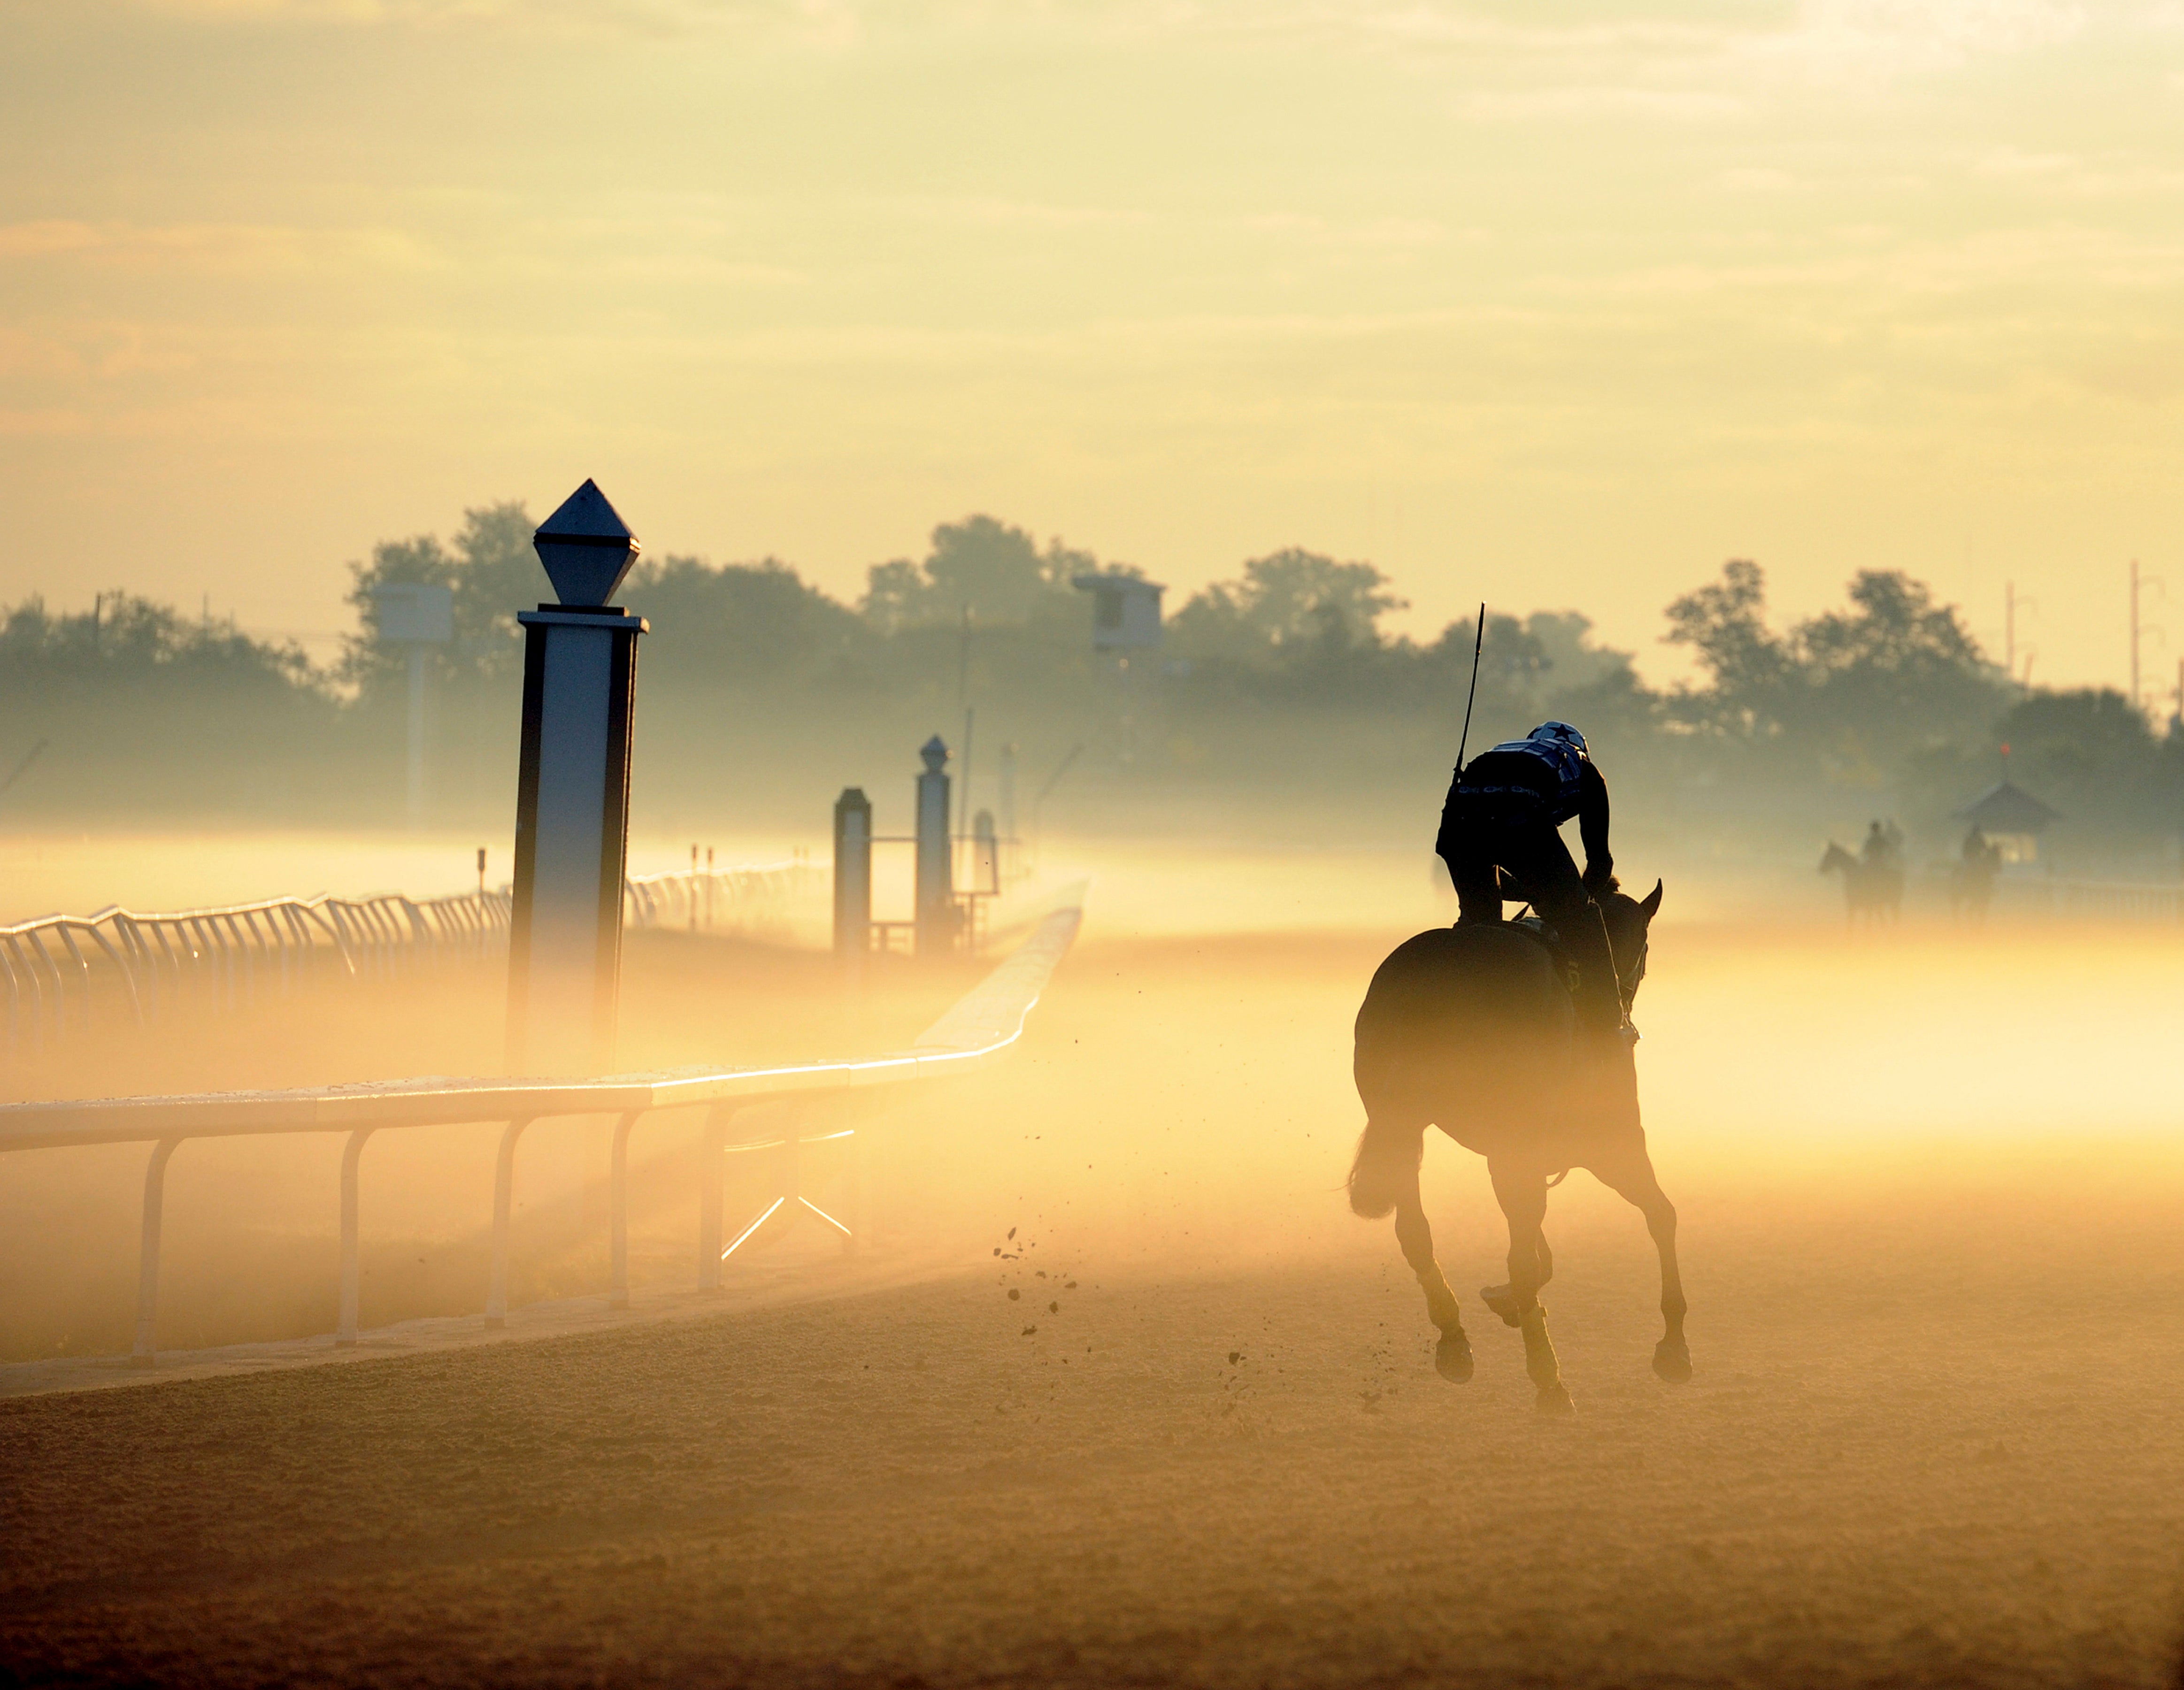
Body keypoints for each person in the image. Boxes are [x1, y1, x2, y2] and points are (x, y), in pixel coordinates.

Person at [1435, 721, 1624, 1040]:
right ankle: (1606, 1021)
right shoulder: (1585, 769)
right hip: (1521, 819)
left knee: (1479, 922)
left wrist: (1531, 891)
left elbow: (1499, 878)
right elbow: (1600, 863)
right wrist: (1569, 901)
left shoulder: (1502, 752)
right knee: (1585, 919)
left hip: (1457, 826)